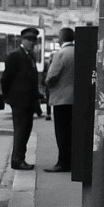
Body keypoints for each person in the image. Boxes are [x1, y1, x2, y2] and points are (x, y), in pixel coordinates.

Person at [0, 26, 42, 171]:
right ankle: (17, 160)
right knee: (21, 130)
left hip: (28, 100)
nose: (31, 43)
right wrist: (8, 96)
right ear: (22, 40)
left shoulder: (30, 56)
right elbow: (6, 78)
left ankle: (20, 158)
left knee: (26, 130)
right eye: (28, 39)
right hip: (19, 101)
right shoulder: (15, 56)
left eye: (33, 40)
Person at [42, 26, 75, 172]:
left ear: (61, 38)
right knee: (72, 132)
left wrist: (48, 84)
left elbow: (51, 76)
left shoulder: (61, 54)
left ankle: (63, 162)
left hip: (61, 99)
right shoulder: (78, 52)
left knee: (61, 133)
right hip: (76, 99)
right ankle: (73, 160)